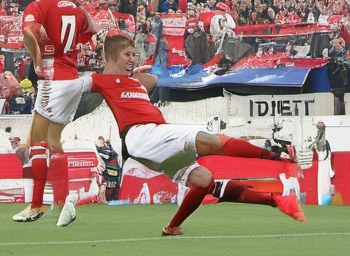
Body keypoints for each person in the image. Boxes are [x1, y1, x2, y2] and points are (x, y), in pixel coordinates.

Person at [77, 34, 305, 235]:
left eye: (134, 55)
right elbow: (78, 87)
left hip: (155, 143)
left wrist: (135, 74)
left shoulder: (138, 83)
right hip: (143, 134)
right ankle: (278, 155)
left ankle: (276, 201)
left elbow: (154, 79)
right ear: (112, 56)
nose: (132, 59)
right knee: (212, 140)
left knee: (205, 181)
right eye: (127, 54)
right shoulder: (101, 81)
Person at [13, 0, 96, 227]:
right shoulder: (75, 8)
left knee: (36, 141)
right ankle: (65, 200)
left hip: (53, 80)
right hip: (73, 77)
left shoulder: (38, 7)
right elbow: (91, 30)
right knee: (53, 141)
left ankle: (37, 205)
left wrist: (36, 57)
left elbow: (28, 32)